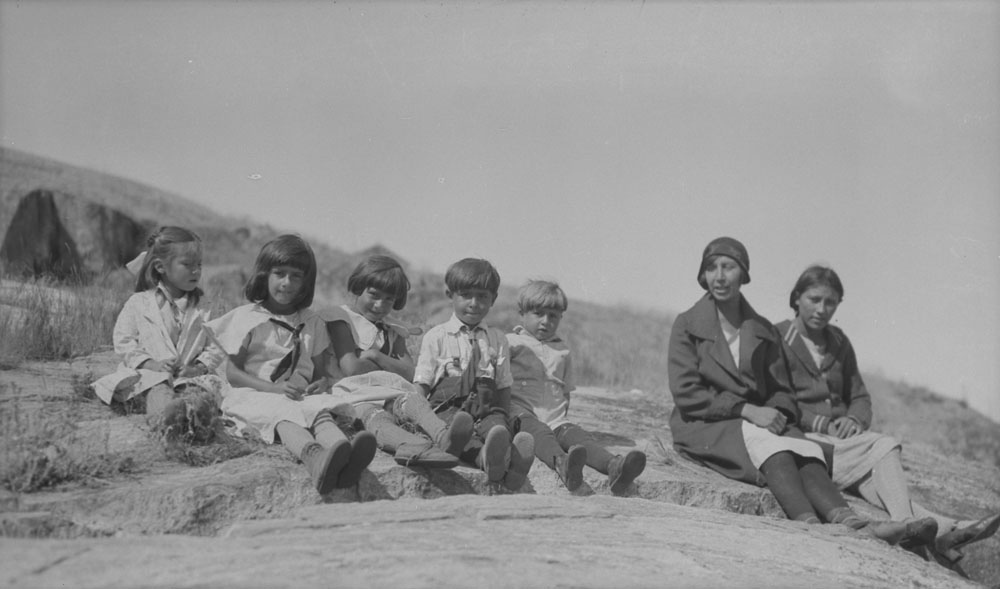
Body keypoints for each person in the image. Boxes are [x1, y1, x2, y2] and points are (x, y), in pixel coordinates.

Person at [668, 237, 932, 546]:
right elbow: (686, 392)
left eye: (729, 267)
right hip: (705, 423)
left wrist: (778, 414)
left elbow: (781, 390)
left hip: (755, 422)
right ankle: (810, 525)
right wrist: (748, 410)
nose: (720, 276)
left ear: (744, 274)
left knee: (804, 447)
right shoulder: (687, 324)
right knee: (773, 446)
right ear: (703, 275)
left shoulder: (762, 329)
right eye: (711, 268)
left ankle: (851, 521)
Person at [777, 264, 1000, 562]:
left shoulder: (839, 342)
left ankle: (945, 530)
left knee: (877, 484)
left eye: (830, 302)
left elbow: (859, 396)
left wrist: (854, 419)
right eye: (814, 299)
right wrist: (821, 422)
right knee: (884, 445)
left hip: (843, 447)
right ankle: (911, 526)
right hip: (805, 440)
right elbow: (775, 397)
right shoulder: (778, 337)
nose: (822, 309)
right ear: (796, 298)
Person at [207, 235, 376, 495]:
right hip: (255, 394)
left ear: (306, 283)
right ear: (264, 275)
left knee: (319, 412)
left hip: (296, 395)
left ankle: (344, 455)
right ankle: (315, 458)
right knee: (284, 416)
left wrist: (319, 384)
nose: (287, 283)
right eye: (279, 274)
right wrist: (274, 390)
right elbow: (234, 373)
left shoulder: (311, 321)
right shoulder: (246, 318)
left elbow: (319, 372)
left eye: (296, 276)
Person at [324, 255, 473, 469]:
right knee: (375, 417)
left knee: (414, 402)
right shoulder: (342, 320)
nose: (379, 305)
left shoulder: (392, 328)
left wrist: (376, 356)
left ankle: (444, 437)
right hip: (353, 394)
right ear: (358, 288)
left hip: (391, 391)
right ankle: (410, 444)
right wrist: (390, 365)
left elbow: (410, 372)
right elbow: (351, 368)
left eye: (388, 300)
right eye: (373, 295)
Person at [507, 280, 646, 494]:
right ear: (522, 314)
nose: (545, 321)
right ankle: (563, 464)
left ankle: (613, 467)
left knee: (578, 437)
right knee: (540, 435)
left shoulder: (562, 351)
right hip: (524, 414)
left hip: (555, 418)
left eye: (553, 316)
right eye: (538, 314)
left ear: (560, 317)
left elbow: (565, 391)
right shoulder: (511, 343)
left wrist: (564, 419)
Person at [93, 226, 225, 442]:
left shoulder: (205, 307)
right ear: (160, 267)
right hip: (152, 374)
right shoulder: (139, 303)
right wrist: (150, 363)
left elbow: (216, 345)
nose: (196, 271)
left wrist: (197, 367)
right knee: (159, 393)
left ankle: (200, 424)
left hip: (190, 376)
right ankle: (168, 424)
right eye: (187, 265)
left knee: (200, 396)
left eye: (199, 265)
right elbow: (124, 340)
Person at [414, 258, 535, 491]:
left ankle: (510, 457)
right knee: (461, 433)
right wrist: (419, 418)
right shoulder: (437, 336)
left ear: (493, 299)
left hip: (487, 407)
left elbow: (503, 385)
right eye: (466, 295)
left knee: (497, 429)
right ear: (450, 294)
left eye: (482, 297)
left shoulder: (498, 338)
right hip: (449, 409)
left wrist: (505, 419)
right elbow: (423, 381)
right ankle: (486, 459)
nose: (473, 303)